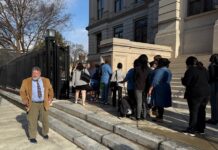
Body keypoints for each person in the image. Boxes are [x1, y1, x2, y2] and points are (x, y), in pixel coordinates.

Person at [20, 67, 54, 144]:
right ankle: (32, 137)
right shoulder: (26, 81)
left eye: (37, 73)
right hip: (33, 104)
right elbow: (22, 91)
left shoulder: (46, 80)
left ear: (40, 74)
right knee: (32, 121)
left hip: (43, 103)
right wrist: (25, 100)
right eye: (33, 73)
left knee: (45, 120)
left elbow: (51, 90)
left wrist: (50, 98)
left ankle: (45, 133)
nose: (35, 75)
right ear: (31, 73)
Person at [181, 56, 210, 136]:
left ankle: (192, 129)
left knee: (194, 112)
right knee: (201, 111)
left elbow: (186, 82)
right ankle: (201, 129)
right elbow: (208, 79)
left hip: (195, 94)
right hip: (206, 93)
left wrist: (182, 79)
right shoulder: (204, 69)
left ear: (188, 64)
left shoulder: (190, 70)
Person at [148, 58, 172, 122]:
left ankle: (160, 117)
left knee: (159, 104)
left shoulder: (160, 70)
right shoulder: (168, 70)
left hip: (159, 88)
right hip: (165, 88)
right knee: (161, 104)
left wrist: (150, 89)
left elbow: (155, 80)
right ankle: (159, 116)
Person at [134, 55, 151, 120]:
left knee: (139, 102)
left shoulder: (137, 69)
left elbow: (134, 78)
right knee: (144, 102)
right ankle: (144, 116)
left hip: (138, 87)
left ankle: (138, 116)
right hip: (145, 88)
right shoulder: (149, 70)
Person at [207, 54, 218, 125]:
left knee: (214, 103)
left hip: (213, 85)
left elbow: (211, 77)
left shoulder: (211, 66)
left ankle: (214, 119)